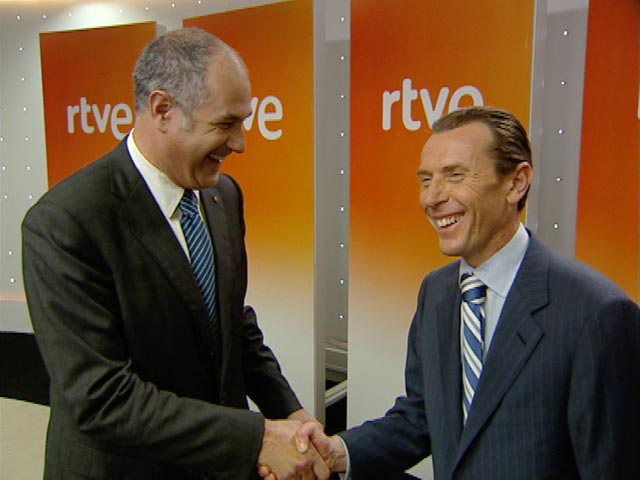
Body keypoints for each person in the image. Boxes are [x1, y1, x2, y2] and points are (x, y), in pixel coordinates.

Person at [22, 28, 329, 480]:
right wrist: (258, 438)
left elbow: (233, 324)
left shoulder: (224, 195)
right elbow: (101, 397)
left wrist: (291, 413)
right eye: (226, 124)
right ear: (163, 109)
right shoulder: (66, 221)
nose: (241, 142)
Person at [289, 106, 640, 479]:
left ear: (516, 183)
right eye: (426, 179)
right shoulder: (436, 292)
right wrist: (339, 452)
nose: (431, 198)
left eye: (455, 175)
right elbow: (422, 416)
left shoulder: (596, 313)